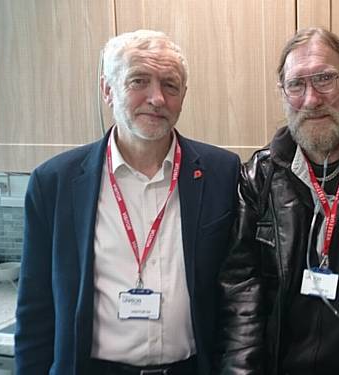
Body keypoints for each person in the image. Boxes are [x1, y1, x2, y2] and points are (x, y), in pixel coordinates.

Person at [15, 29, 240, 375]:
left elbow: (239, 294)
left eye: (170, 85)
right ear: (108, 89)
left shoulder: (222, 174)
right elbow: (35, 313)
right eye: (139, 81)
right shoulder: (54, 183)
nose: (157, 98)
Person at [216, 27, 339, 374]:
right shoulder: (259, 177)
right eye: (296, 85)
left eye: (325, 79)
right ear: (283, 93)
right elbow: (242, 295)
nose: (311, 99)